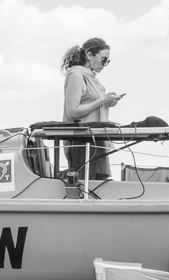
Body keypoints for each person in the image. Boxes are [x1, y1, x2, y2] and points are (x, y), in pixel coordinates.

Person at [61, 37, 124, 180]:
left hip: (96, 138)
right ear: (89, 55)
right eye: (103, 59)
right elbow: (72, 111)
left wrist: (108, 102)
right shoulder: (76, 75)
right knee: (88, 185)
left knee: (99, 183)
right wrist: (102, 100)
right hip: (82, 140)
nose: (105, 64)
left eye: (107, 61)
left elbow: (91, 105)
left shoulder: (91, 78)